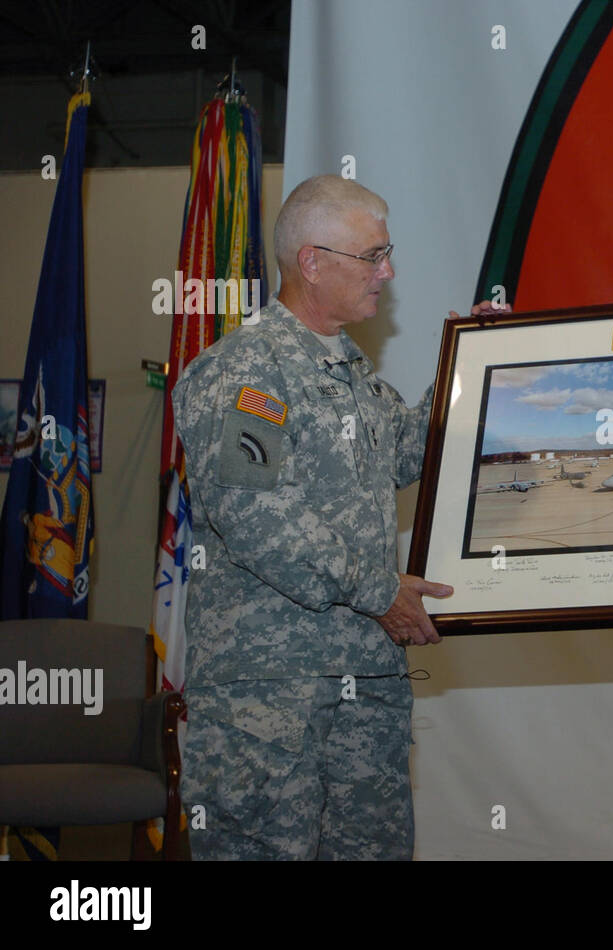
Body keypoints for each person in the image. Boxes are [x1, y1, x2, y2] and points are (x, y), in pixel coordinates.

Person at [173, 175, 458, 859]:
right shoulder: (249, 373)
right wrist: (380, 591)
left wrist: (472, 364)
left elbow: (413, 449)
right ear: (312, 261)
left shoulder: (355, 378)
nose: (388, 272)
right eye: (373, 256)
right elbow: (256, 515)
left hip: (364, 694)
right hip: (270, 709)